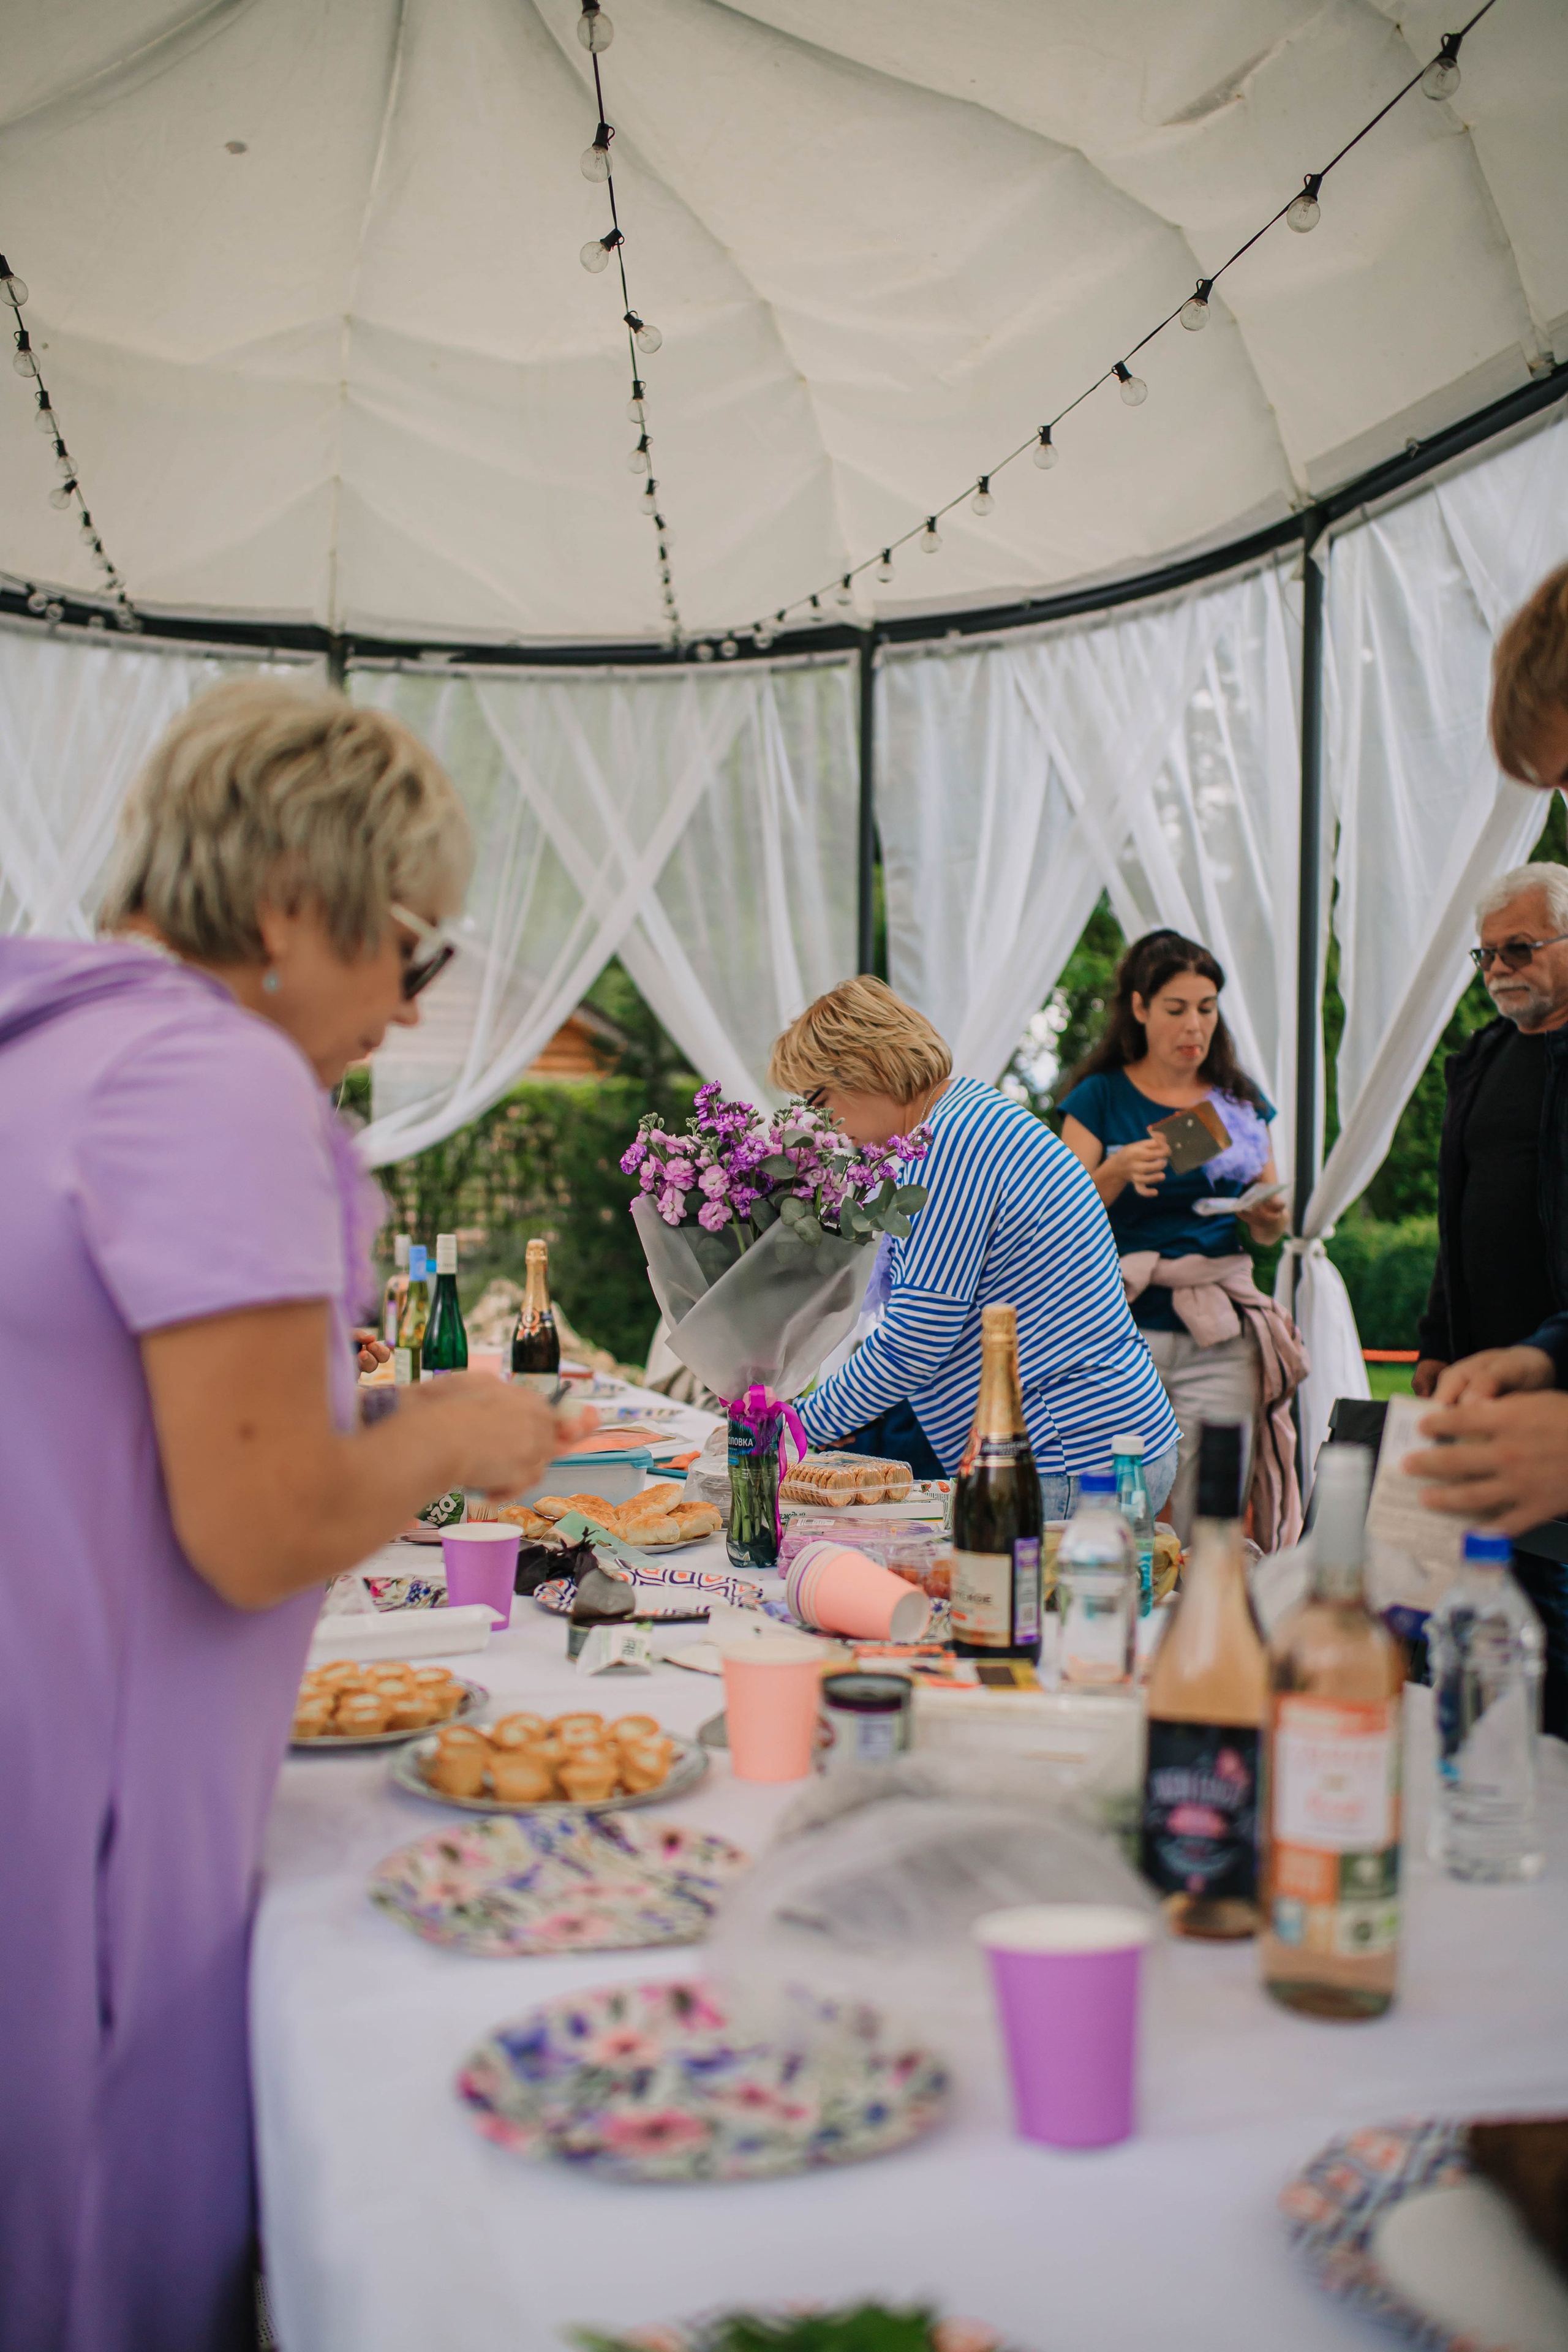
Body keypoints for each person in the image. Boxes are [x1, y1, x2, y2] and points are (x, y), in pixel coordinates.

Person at [0, 679, 585, 2352]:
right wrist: (460, 1430)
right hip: (88, 1860)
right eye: (412, 947)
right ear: (281, 903)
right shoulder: (210, 1076)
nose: (408, 1010)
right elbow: (258, 1524)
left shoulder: (45, 1042)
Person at [769, 975, 1181, 1515]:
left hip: (1065, 1451)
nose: (820, 1126)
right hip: (1096, 1442)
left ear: (862, 1066)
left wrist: (794, 1429)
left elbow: (915, 1341)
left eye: (817, 1100)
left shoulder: (948, 1145)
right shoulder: (968, 1118)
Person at [1057, 929, 1303, 1545]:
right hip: (1112, 1334)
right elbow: (1055, 1215)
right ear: (1138, 1008)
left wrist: (1265, 1216)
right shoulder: (1099, 1096)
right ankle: (1104, 1626)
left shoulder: (1236, 1100)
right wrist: (1112, 1171)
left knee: (1208, 1517)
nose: (1195, 1025)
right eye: (1176, 1009)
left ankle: (1203, 1631)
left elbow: (1274, 1221)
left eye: (1206, 1007)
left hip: (1216, 1335)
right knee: (1106, 1505)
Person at [1412, 864, 1568, 1399]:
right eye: (1487, 954)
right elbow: (1456, 1213)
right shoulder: (1481, 1058)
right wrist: (1436, 1340)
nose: (1498, 967)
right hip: (1477, 1365)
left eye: (1519, 949)